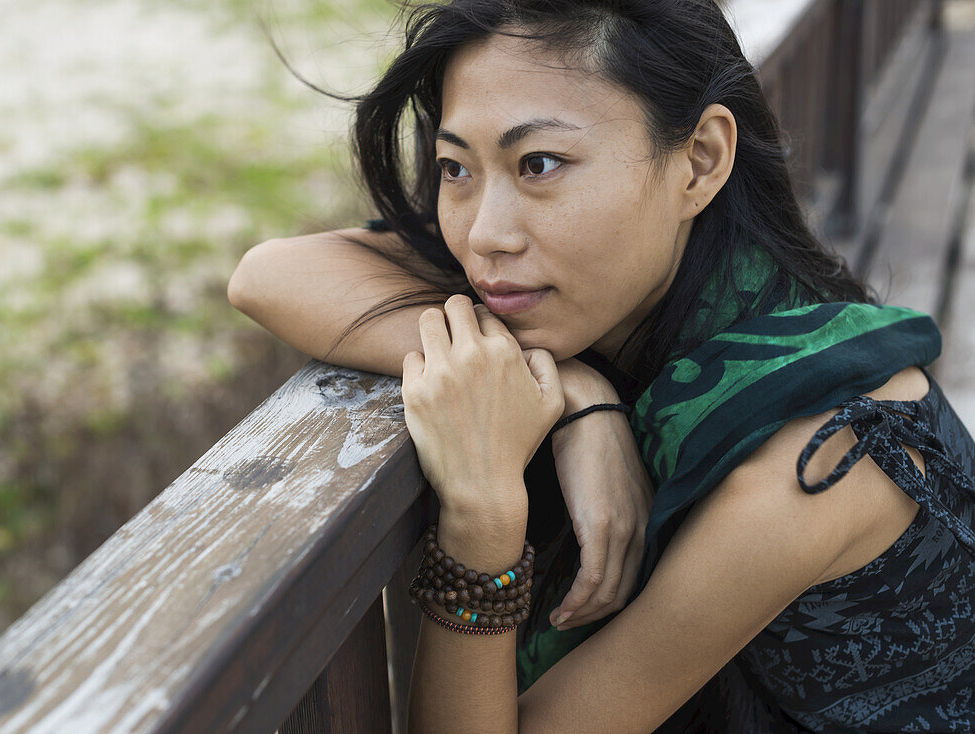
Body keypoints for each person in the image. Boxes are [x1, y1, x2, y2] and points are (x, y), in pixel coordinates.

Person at [228, 0, 975, 731]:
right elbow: (270, 274)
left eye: (540, 164)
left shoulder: (810, 465)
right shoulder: (656, 293)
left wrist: (482, 518)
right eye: (455, 167)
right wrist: (574, 389)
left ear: (701, 162)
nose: (484, 235)